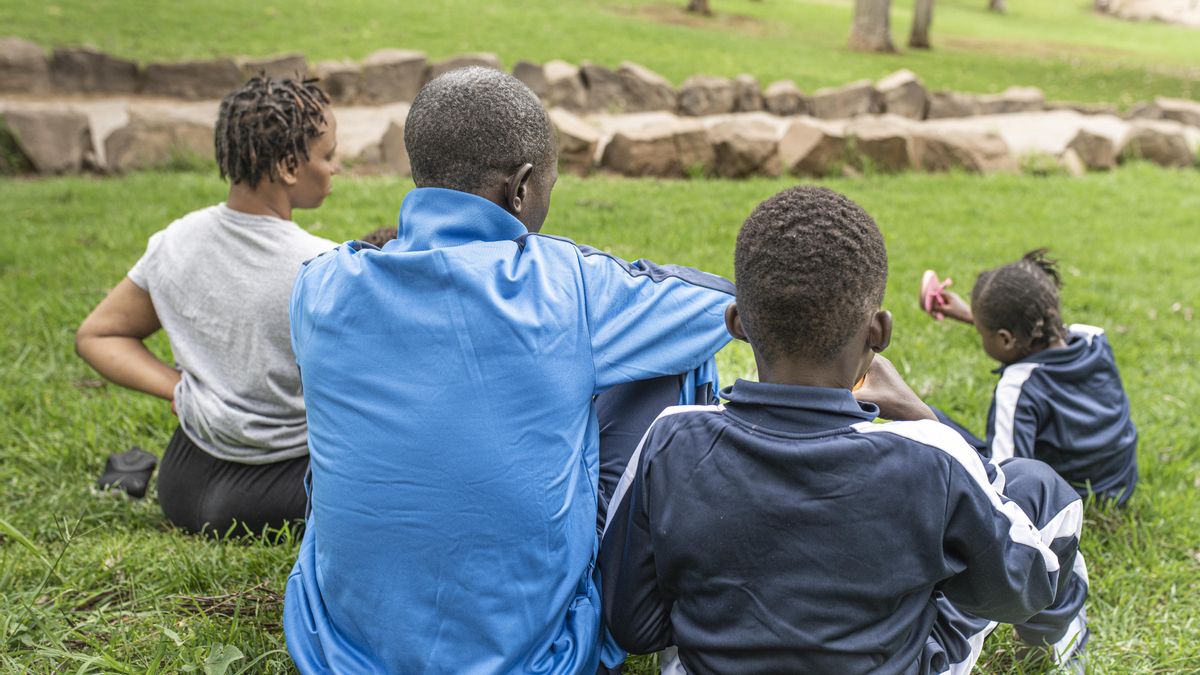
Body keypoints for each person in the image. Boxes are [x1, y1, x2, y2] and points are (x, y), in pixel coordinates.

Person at [283, 67, 734, 674]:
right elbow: (727, 306)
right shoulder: (569, 283)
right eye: (549, 184)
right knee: (675, 351)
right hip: (542, 656)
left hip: (338, 653)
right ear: (521, 188)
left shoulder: (318, 286)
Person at [599, 187, 1089, 674]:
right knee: (1040, 487)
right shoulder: (932, 456)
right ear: (878, 332)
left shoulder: (668, 441)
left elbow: (634, 624)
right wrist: (922, 417)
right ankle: (1060, 640)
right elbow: (1017, 591)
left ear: (736, 324)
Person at [75, 75, 339, 536]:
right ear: (290, 166)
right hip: (284, 492)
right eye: (329, 156)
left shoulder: (176, 240)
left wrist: (178, 390)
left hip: (184, 485)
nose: (336, 167)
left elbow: (98, 334)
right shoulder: (321, 265)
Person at [921, 250, 1138, 506]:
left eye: (981, 332)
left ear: (1005, 338)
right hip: (1117, 484)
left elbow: (1006, 485)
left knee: (929, 424)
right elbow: (1041, 331)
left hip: (1062, 499)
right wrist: (974, 316)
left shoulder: (1018, 386)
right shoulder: (1093, 339)